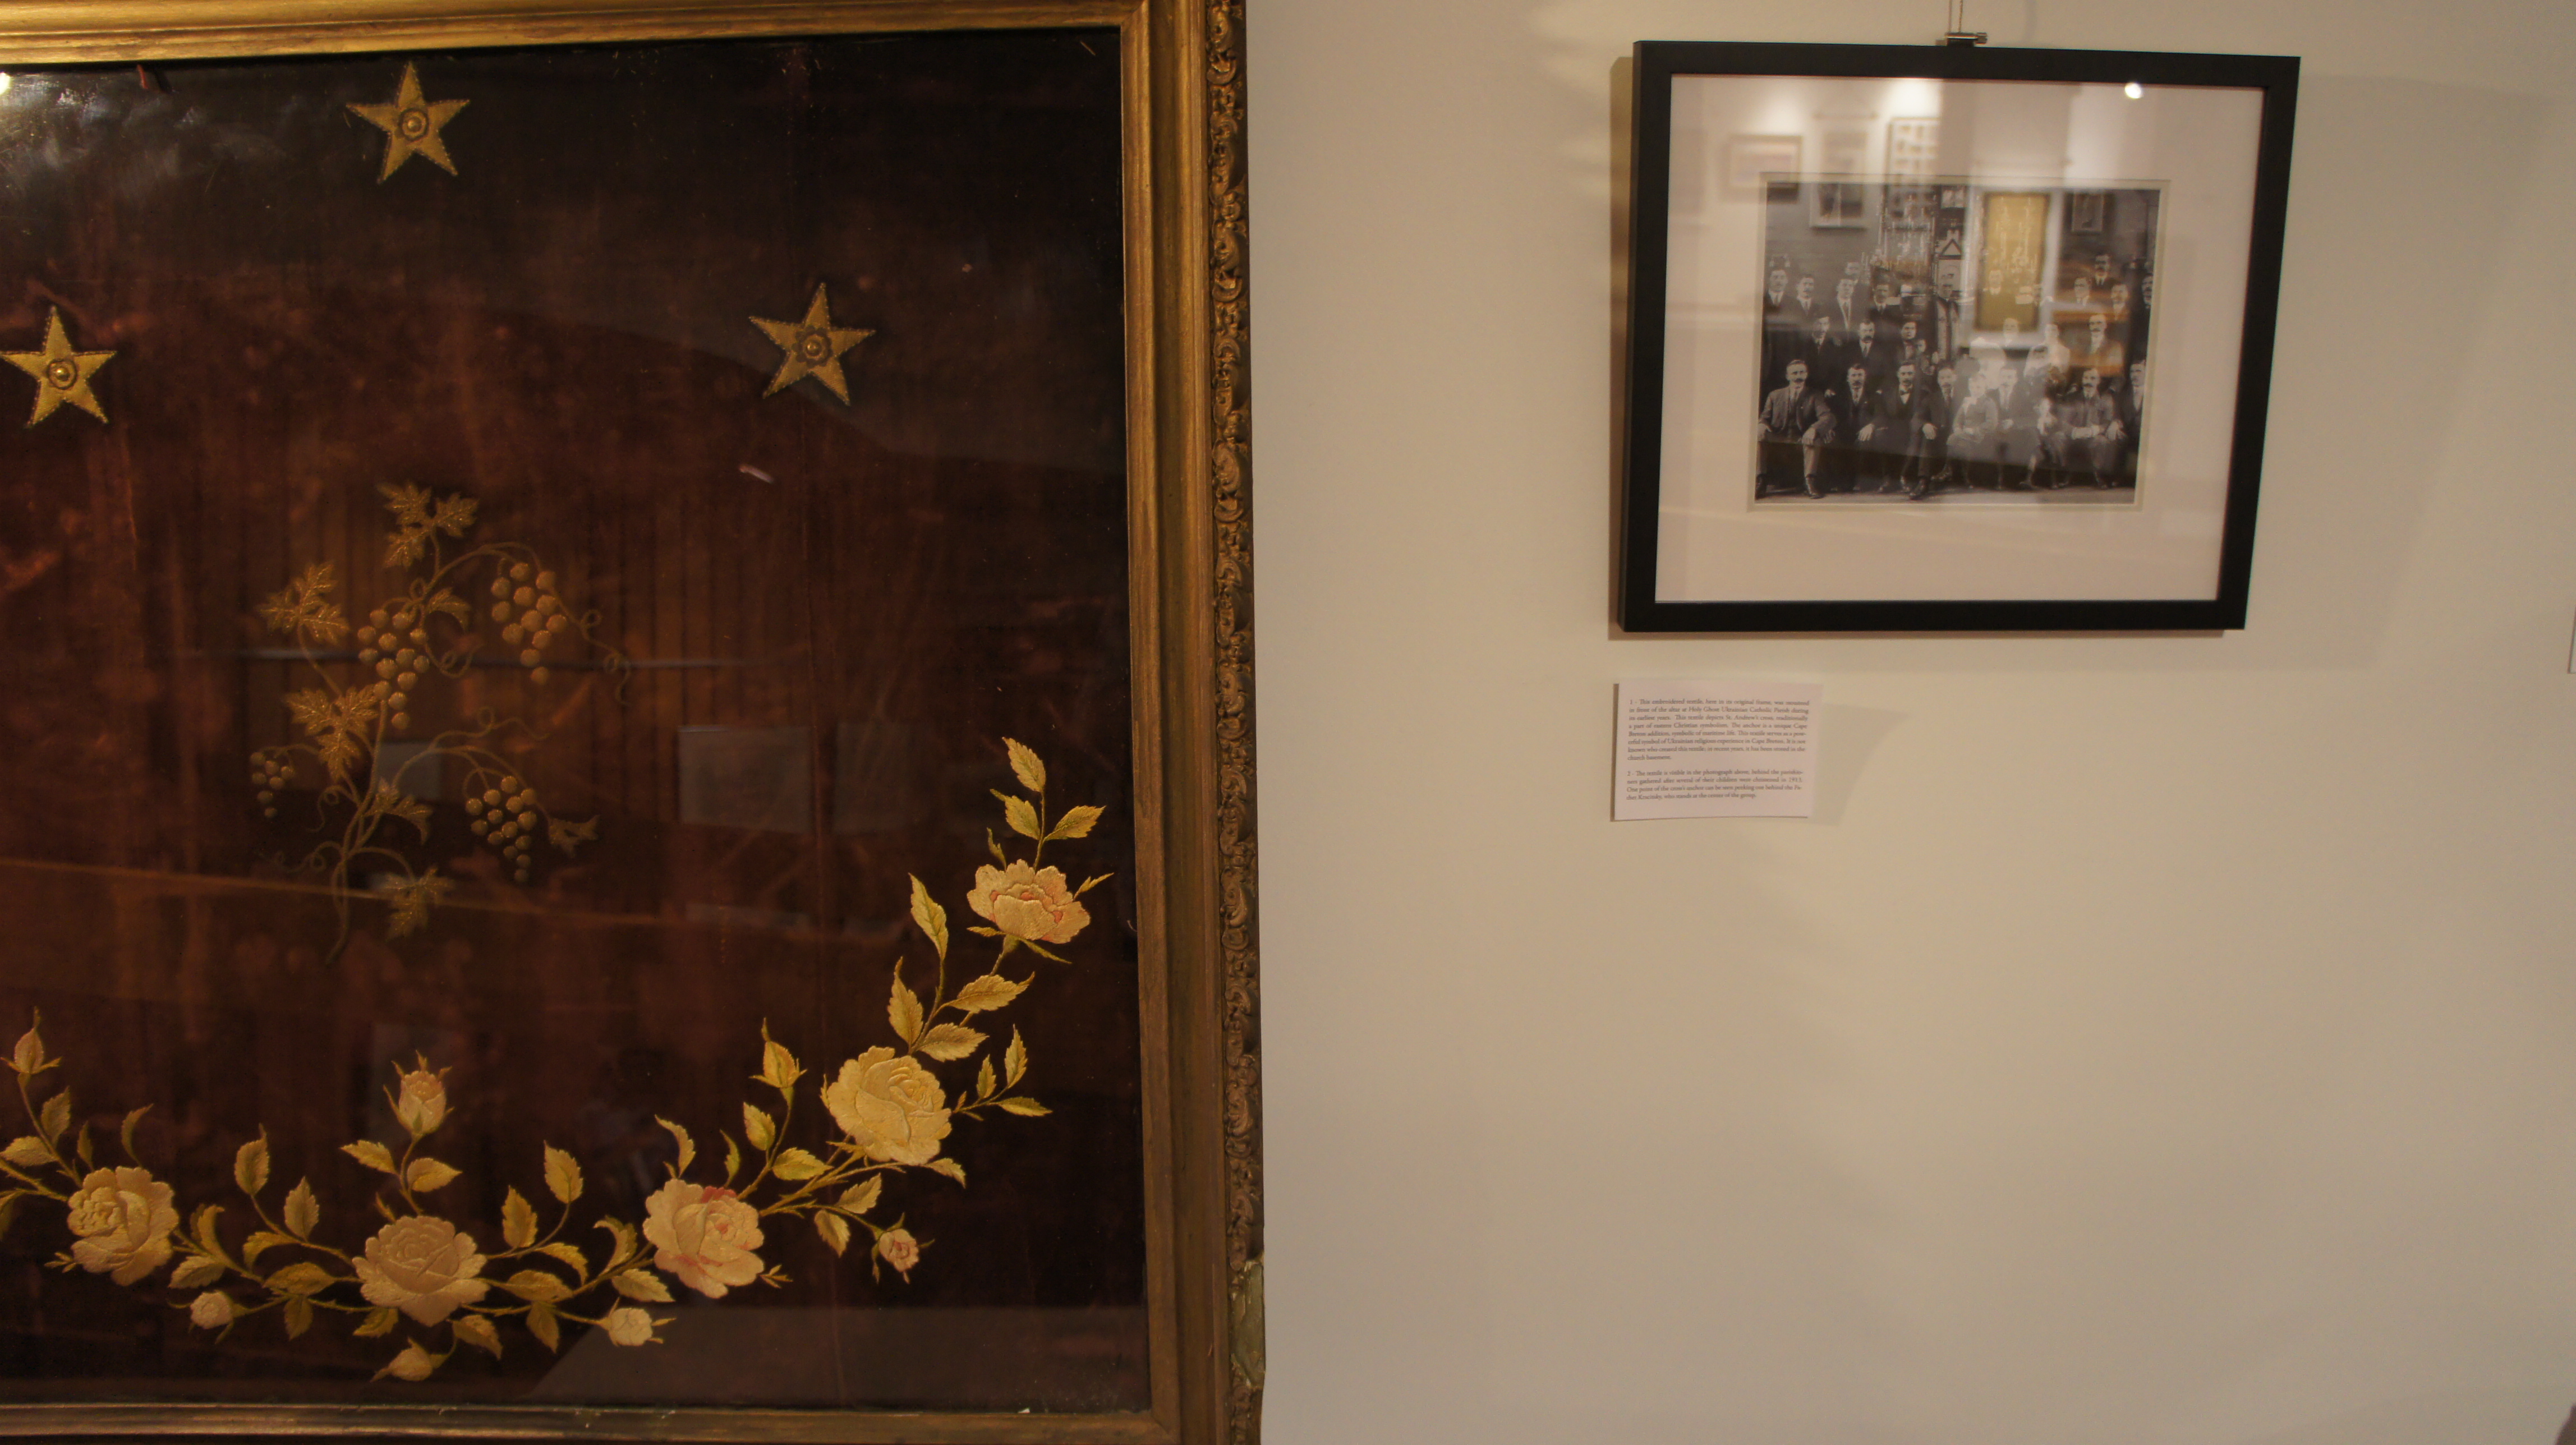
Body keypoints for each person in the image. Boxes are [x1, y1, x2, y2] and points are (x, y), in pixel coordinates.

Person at [1758, 358, 1838, 499]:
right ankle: (1761, 481)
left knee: (1814, 438)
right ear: (1787, 376)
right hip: (1779, 437)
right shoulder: (1775, 395)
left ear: (1806, 375)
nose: (1798, 377)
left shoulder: (1815, 395)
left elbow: (1828, 417)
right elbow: (1765, 417)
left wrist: (1814, 429)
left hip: (1801, 438)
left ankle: (1809, 482)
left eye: (1802, 372)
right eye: (1794, 373)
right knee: (1759, 435)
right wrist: (1761, 425)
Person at [2039, 367, 2122, 487]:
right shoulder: (2072, 398)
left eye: (2093, 378)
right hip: (2074, 434)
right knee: (2058, 437)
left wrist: (2094, 430)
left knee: (2101, 441)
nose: (2088, 382)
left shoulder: (2106, 399)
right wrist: (2074, 431)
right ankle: (2062, 474)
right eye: (2086, 378)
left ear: (2099, 381)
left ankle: (2099, 476)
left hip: (2093, 435)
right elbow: (2063, 421)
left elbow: (2107, 422)